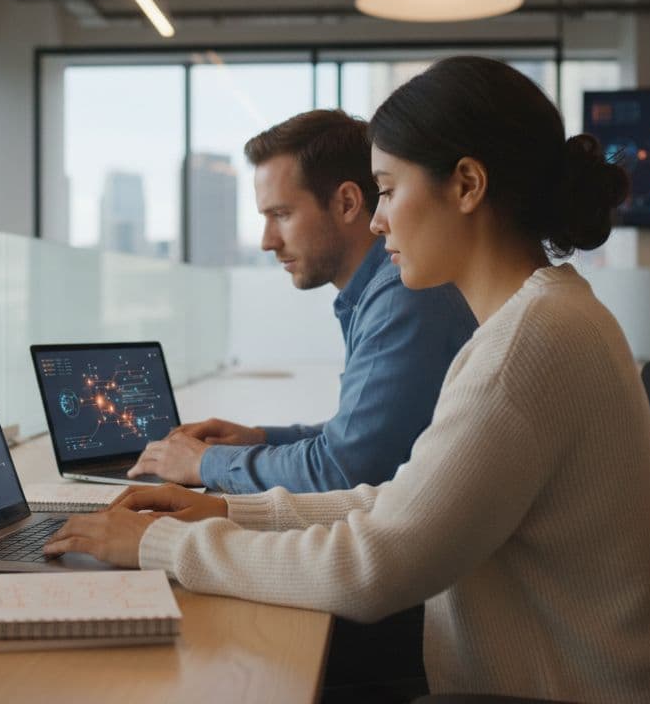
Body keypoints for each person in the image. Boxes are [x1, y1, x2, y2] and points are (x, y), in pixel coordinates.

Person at [46, 57, 650, 701]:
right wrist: (226, 509)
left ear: (467, 185)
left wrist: (165, 545)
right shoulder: (544, 315)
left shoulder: (527, 344)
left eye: (387, 189)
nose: (378, 217)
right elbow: (402, 505)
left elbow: (375, 567)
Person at [128, 109, 476, 493]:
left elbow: (344, 469)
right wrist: (259, 438)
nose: (267, 241)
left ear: (346, 203)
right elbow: (365, 438)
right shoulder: (375, 292)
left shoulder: (400, 295)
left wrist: (205, 462)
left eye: (281, 214)